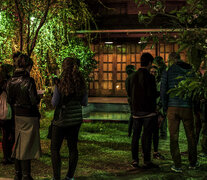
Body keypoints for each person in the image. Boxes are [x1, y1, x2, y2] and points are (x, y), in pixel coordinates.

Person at [51, 57, 88, 180]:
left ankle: (56, 177)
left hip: (61, 120)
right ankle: (70, 176)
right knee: (73, 148)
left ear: (63, 67)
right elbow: (84, 102)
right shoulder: (81, 82)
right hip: (75, 120)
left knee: (55, 149)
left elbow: (55, 102)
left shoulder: (59, 82)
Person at [161, 52, 198, 173]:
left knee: (174, 136)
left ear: (171, 59)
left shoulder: (168, 70)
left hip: (172, 107)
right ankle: (193, 162)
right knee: (191, 136)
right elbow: (195, 88)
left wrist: (165, 107)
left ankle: (177, 164)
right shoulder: (190, 69)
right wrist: (194, 105)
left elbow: (163, 89)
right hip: (187, 107)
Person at [7, 53, 41, 180]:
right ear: (27, 66)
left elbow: (10, 99)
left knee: (19, 144)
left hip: (18, 115)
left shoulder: (10, 80)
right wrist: (39, 98)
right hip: (29, 115)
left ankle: (18, 174)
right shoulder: (28, 81)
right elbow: (33, 100)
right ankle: (26, 175)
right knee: (26, 147)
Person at [126, 53, 158, 169]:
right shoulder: (150, 77)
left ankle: (135, 159)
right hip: (148, 111)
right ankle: (147, 160)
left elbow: (129, 93)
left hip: (136, 111)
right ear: (149, 63)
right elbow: (152, 94)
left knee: (136, 136)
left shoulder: (131, 77)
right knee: (146, 136)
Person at [0, 64, 15, 165]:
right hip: (6, 111)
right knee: (8, 134)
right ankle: (7, 156)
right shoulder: (6, 82)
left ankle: (7, 156)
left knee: (6, 134)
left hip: (3, 111)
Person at [149, 66, 165, 160]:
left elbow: (162, 96)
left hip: (157, 110)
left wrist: (159, 107)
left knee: (155, 132)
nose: (153, 74)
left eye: (155, 72)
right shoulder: (146, 82)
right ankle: (145, 151)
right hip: (148, 110)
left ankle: (155, 151)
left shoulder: (160, 83)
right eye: (152, 72)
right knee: (147, 132)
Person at [153, 56, 167, 139]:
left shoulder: (162, 70)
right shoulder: (165, 69)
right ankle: (162, 134)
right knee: (162, 117)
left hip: (160, 96)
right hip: (160, 97)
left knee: (162, 116)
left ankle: (162, 134)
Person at [125, 65, 135, 137]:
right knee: (133, 115)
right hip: (134, 98)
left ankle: (129, 132)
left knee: (132, 115)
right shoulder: (133, 77)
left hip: (131, 98)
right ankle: (131, 131)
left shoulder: (128, 78)